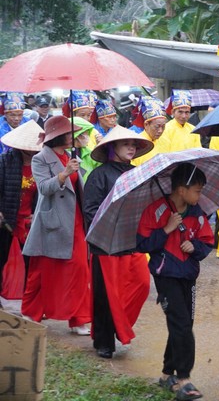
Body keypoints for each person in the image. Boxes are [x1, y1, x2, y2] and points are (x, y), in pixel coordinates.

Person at [136, 163, 213, 401]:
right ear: (181, 190)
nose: (199, 196)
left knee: (182, 324)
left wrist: (195, 247)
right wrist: (167, 229)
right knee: (180, 323)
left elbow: (208, 241)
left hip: (188, 275)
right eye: (197, 191)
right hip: (166, 274)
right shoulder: (156, 211)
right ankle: (184, 378)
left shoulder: (197, 212)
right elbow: (143, 244)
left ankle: (166, 374)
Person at [83, 127, 154, 359]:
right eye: (126, 144)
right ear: (113, 148)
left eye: (133, 144)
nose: (131, 148)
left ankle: (117, 325)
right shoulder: (99, 175)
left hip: (132, 241)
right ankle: (104, 341)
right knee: (106, 294)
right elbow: (90, 210)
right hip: (106, 244)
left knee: (141, 284)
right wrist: (110, 227)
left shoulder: (139, 173)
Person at [21, 116, 92, 334]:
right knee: (41, 270)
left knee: (80, 269)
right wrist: (64, 174)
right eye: (70, 133)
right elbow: (44, 188)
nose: (74, 136)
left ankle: (79, 318)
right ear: (59, 136)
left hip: (76, 220)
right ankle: (30, 313)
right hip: (52, 223)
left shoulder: (72, 156)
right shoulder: (40, 158)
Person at [0, 121, 42, 300]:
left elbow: (44, 192)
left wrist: (38, 212)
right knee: (2, 258)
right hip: (6, 219)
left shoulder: (42, 164)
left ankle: (28, 299)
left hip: (29, 221)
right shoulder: (4, 162)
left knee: (29, 261)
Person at [132, 97, 168, 166]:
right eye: (157, 127)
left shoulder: (166, 140)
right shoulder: (137, 143)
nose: (160, 131)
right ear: (146, 124)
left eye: (163, 126)